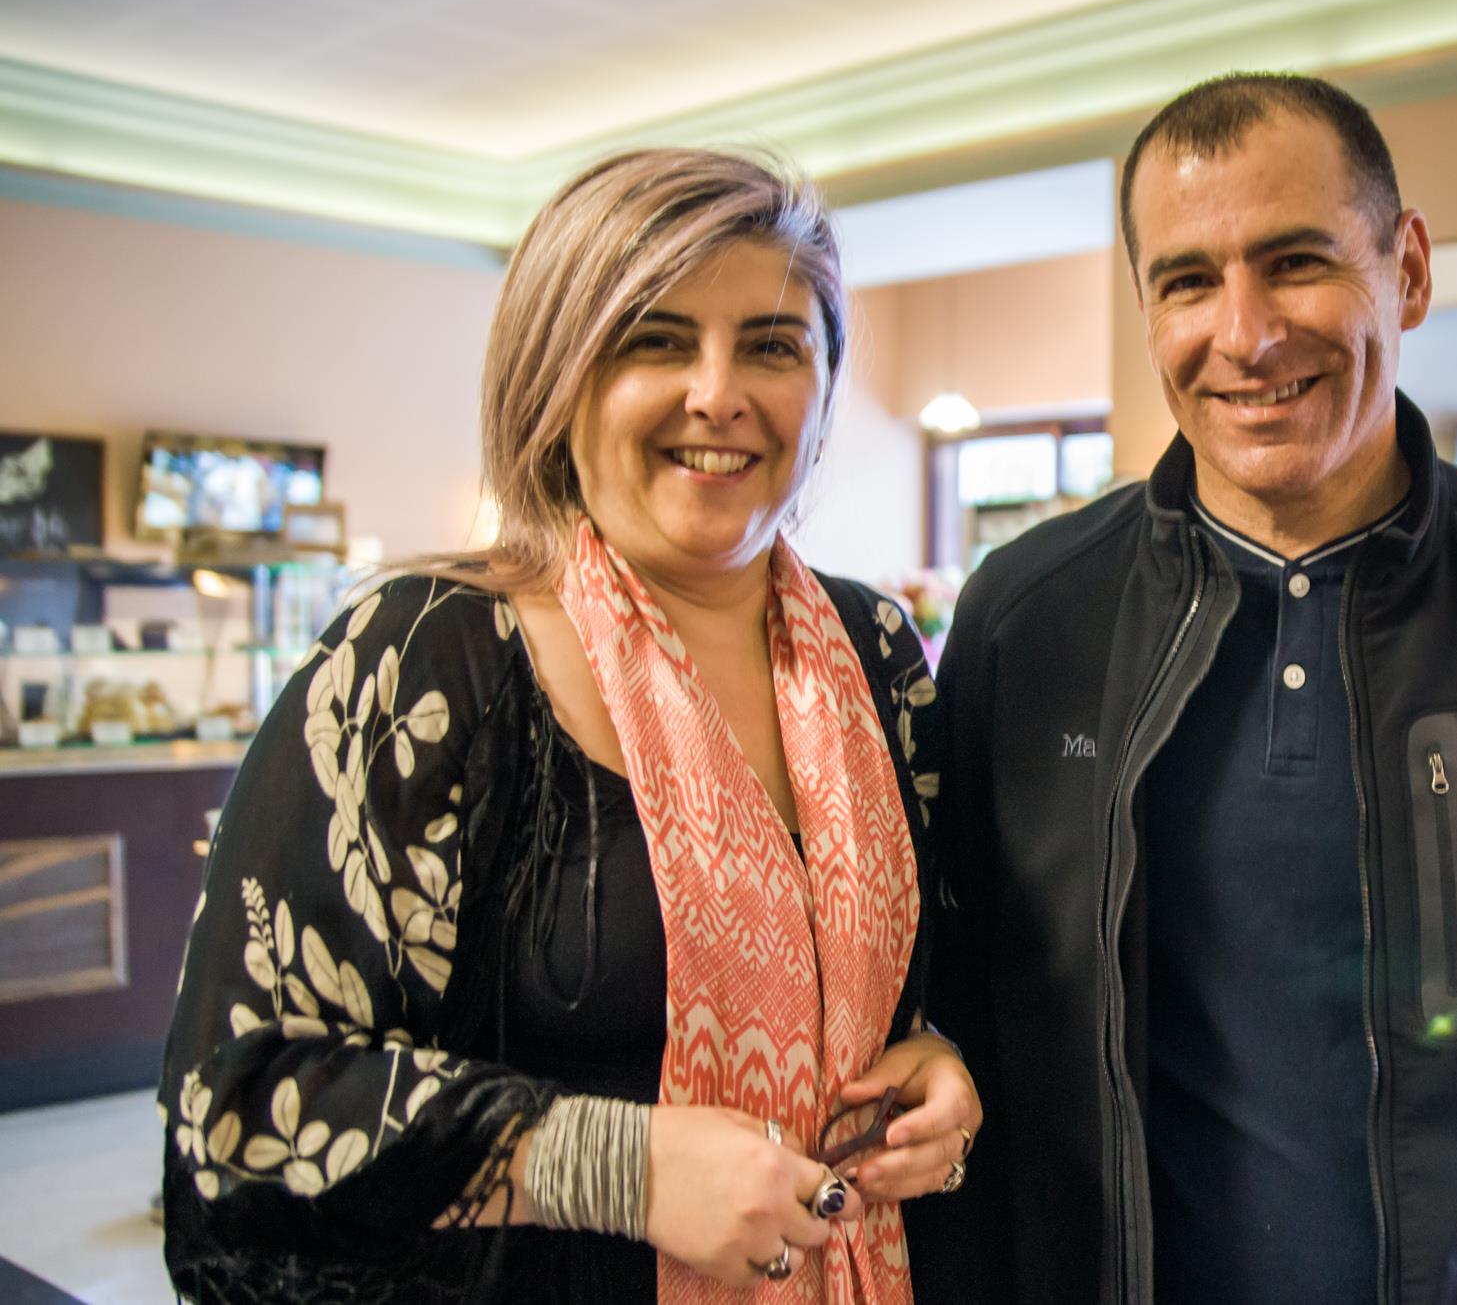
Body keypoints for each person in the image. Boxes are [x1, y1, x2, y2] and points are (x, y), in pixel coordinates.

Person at [904, 73, 1457, 1305]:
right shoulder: (1029, 615)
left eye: (1294, 262)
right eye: (1187, 280)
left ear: (1405, 269)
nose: (1245, 333)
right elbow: (957, 993)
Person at [161, 147, 981, 1302]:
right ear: (556, 373)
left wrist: (937, 1061)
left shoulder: (875, 655)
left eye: (771, 345)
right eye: (655, 339)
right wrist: (609, 1166)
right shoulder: (427, 658)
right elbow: (237, 1113)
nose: (718, 393)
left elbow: (916, 982)